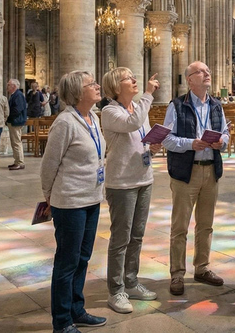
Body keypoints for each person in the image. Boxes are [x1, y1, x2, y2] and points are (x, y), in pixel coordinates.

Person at [40, 71, 107, 333]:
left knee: (83, 258)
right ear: (77, 93)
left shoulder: (94, 118)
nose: (97, 86)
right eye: (91, 84)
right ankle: (62, 321)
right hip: (69, 201)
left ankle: (77, 310)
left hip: (92, 198)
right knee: (67, 261)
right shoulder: (65, 122)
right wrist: (48, 195)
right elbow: (49, 164)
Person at [162, 61, 230, 296]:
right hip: (185, 172)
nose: (207, 73)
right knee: (180, 226)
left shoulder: (216, 105)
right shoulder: (177, 105)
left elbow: (226, 134)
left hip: (210, 170)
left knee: (205, 224)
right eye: (201, 71)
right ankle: (177, 274)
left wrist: (222, 142)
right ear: (190, 79)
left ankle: (202, 267)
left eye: (207, 70)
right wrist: (191, 144)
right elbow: (167, 139)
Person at [101, 68, 162, 313]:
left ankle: (131, 281)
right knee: (120, 239)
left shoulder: (136, 109)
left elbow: (141, 137)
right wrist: (147, 94)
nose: (134, 80)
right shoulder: (109, 111)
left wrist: (152, 148)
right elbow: (132, 124)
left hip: (143, 179)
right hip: (122, 183)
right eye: (128, 78)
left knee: (136, 236)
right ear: (116, 87)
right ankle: (116, 291)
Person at [6, 79, 27, 171]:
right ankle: (17, 161)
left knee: (16, 142)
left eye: (8, 85)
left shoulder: (18, 95)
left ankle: (20, 163)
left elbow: (17, 110)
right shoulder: (15, 95)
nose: (7, 86)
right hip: (14, 121)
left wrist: (8, 116)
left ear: (14, 86)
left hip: (16, 121)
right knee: (14, 142)